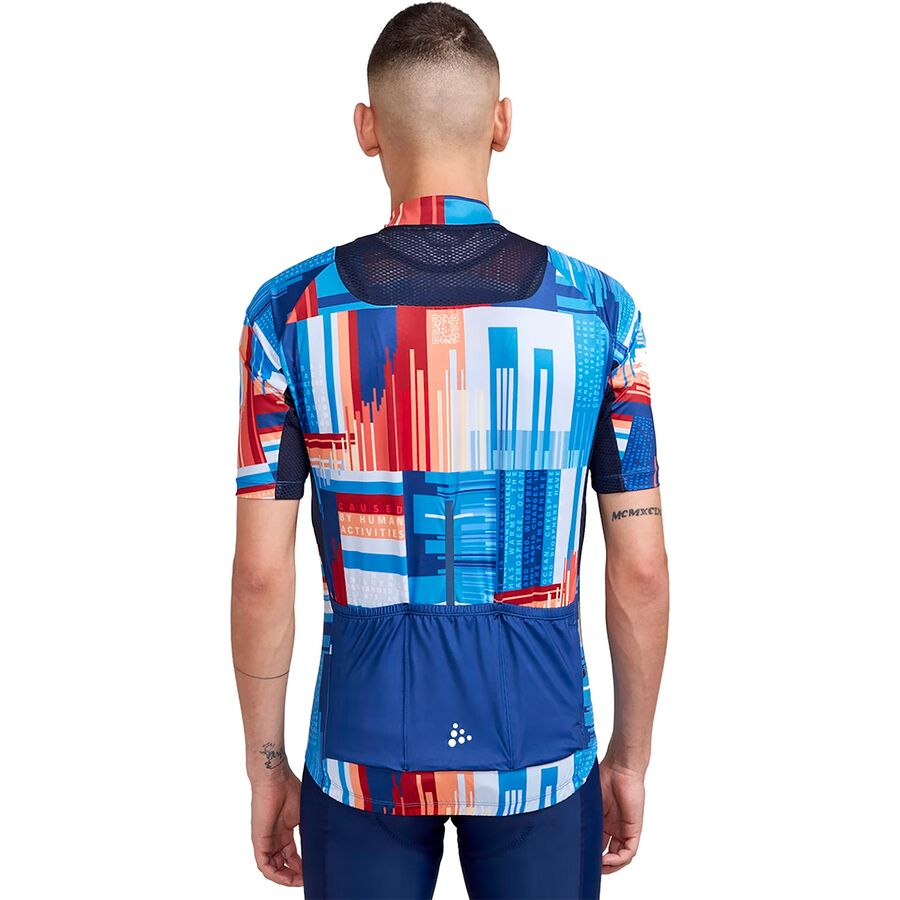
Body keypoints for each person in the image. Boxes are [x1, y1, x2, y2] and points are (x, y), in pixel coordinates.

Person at [231, 4, 669, 897]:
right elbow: (641, 568)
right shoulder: (597, 312)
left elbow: (262, 575)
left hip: (361, 757)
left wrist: (267, 764)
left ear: (366, 128)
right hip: (542, 749)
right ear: (502, 122)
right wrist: (628, 757)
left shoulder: (290, 314)